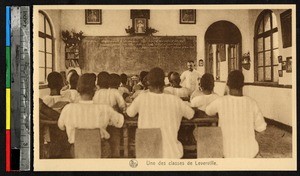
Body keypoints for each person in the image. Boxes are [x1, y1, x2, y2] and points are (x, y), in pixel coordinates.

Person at [126, 67, 194, 158]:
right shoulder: (175, 99)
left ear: (148, 83)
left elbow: (130, 113)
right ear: (164, 84)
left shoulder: (141, 98)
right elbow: (191, 114)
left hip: (147, 153)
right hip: (170, 153)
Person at [58, 73, 124, 158]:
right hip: (101, 152)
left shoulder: (68, 108)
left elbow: (61, 126)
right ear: (95, 89)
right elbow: (120, 122)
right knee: (113, 133)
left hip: (77, 151)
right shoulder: (105, 108)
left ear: (78, 89)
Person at [205, 70, 267, 158]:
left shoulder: (221, 101)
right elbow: (262, 130)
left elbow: (208, 111)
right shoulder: (252, 103)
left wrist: (225, 94)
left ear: (227, 84)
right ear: (243, 84)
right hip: (249, 153)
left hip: (227, 153)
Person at [93, 72, 126, 158]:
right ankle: (115, 155)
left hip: (99, 125)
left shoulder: (95, 93)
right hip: (113, 123)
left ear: (97, 83)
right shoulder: (114, 92)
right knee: (115, 139)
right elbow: (123, 106)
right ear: (109, 82)